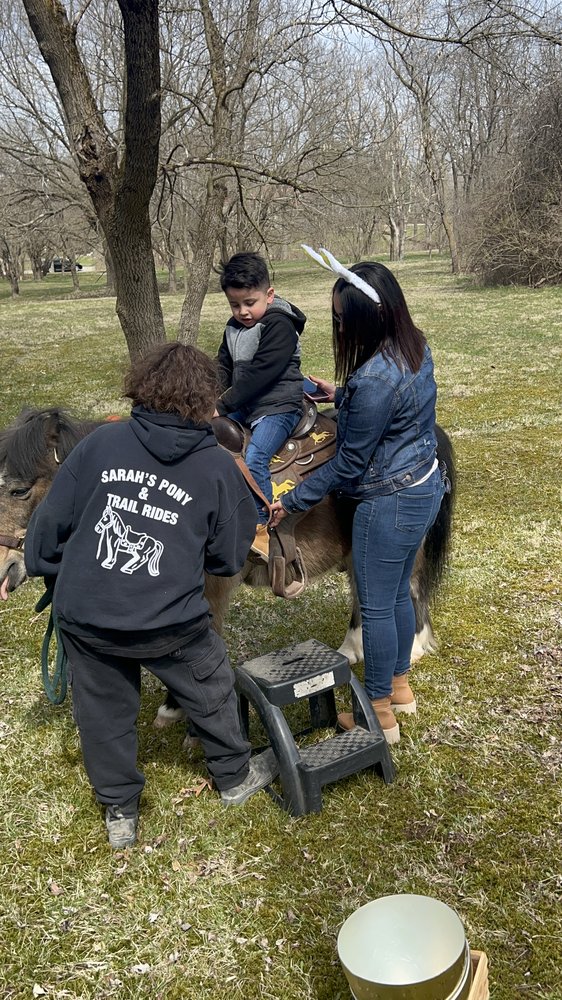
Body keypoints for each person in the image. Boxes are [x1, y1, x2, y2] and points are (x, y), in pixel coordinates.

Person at [24, 342, 279, 849]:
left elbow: (45, 533)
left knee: (103, 713)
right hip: (169, 622)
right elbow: (228, 558)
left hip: (86, 617)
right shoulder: (218, 466)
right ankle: (234, 776)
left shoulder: (99, 443)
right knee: (211, 685)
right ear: (206, 399)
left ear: (141, 387)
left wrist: (61, 577)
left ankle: (120, 811)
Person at [270, 253, 446, 745]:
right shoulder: (414, 346)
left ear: (371, 317)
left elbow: (348, 464)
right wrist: (342, 394)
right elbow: (395, 404)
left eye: (343, 318)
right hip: (424, 487)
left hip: (388, 505)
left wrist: (295, 499)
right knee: (397, 594)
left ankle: (379, 714)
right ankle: (400, 688)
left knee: (376, 608)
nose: (340, 327)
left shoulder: (373, 380)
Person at [215, 252, 306, 560]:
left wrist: (223, 404)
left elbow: (262, 374)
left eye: (249, 302)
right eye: (234, 304)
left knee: (255, 458)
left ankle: (260, 528)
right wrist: (207, 399)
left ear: (269, 294)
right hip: (249, 404)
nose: (242, 311)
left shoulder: (280, 324)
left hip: (278, 406)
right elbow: (223, 367)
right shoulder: (232, 328)